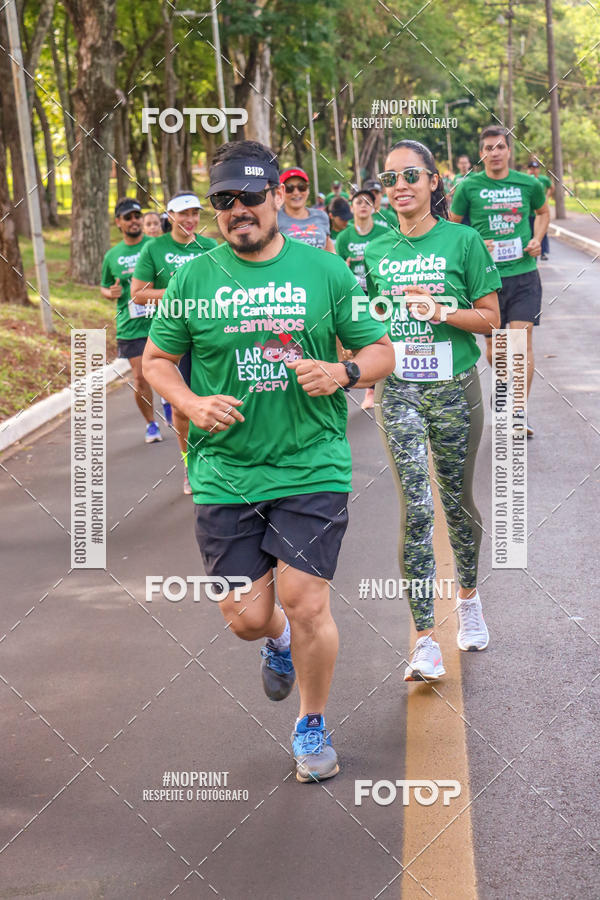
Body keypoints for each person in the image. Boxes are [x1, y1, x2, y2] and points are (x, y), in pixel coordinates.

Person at [142, 139, 394, 782]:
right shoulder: (193, 279)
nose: (238, 210)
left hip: (312, 464)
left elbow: (380, 352)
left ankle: (312, 723)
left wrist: (342, 372)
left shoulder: (325, 272)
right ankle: (275, 641)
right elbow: (156, 362)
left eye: (250, 196)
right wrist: (189, 403)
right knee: (247, 618)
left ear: (277, 197)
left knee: (306, 602)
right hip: (224, 470)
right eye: (224, 200)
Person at [366, 139, 501, 681]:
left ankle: (468, 599)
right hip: (399, 388)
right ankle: (425, 639)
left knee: (456, 501)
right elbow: (369, 319)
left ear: (433, 181)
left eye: (411, 176)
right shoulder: (375, 249)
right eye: (390, 178)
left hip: (454, 387)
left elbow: (491, 318)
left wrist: (439, 310)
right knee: (416, 508)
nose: (399, 186)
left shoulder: (463, 240)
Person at [450, 126, 550, 435]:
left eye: (500, 147)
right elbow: (453, 227)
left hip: (523, 274)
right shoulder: (468, 187)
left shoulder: (529, 183)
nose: (495, 153)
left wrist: (537, 239)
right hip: (487, 280)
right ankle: (504, 386)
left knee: (521, 342)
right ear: (481, 154)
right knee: (495, 351)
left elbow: (543, 213)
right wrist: (477, 243)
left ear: (509, 151)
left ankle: (518, 410)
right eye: (488, 148)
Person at [131, 192, 218, 493]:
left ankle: (226, 462)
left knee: (221, 398)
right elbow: (138, 294)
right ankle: (189, 463)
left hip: (211, 333)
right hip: (175, 336)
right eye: (183, 214)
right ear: (170, 216)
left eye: (194, 213)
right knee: (182, 408)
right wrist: (180, 294)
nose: (190, 220)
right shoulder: (155, 248)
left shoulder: (210, 247)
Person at [100, 198, 162, 443]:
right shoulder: (112, 256)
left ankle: (173, 403)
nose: (134, 221)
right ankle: (151, 424)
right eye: (128, 217)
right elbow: (105, 286)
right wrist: (110, 293)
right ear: (119, 222)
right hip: (131, 325)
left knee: (176, 370)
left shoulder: (155, 246)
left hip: (162, 319)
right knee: (140, 378)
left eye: (137, 216)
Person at [336, 189, 387, 409]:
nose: (363, 205)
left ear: (374, 208)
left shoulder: (384, 233)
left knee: (382, 338)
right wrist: (344, 268)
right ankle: (370, 388)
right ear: (352, 207)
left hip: (379, 294)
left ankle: (379, 387)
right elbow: (337, 267)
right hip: (355, 295)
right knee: (363, 343)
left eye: (368, 202)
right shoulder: (344, 237)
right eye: (359, 202)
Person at [277, 167, 335, 251]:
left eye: (301, 187)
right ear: (280, 191)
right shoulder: (274, 219)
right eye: (289, 188)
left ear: (308, 190)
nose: (296, 192)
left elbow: (330, 252)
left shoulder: (322, 216)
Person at [527, 160, 552, 259]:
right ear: (528, 170)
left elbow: (551, 187)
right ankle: (531, 253)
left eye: (535, 168)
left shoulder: (543, 180)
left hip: (540, 212)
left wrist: (547, 197)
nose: (533, 171)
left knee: (541, 232)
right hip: (529, 212)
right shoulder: (525, 180)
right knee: (530, 233)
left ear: (538, 170)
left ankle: (543, 252)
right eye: (531, 169)